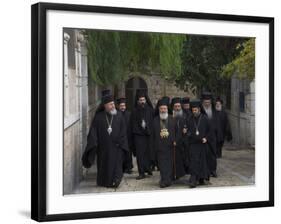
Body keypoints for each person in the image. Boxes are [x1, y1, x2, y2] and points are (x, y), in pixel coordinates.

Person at [81, 91, 129, 188]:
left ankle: (116, 180)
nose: (113, 106)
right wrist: (94, 144)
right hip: (103, 149)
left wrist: (121, 144)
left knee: (117, 167)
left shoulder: (119, 115)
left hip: (116, 147)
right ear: (105, 106)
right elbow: (93, 133)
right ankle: (104, 181)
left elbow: (123, 131)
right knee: (104, 167)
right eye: (110, 104)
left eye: (113, 104)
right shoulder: (98, 117)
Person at [131, 89, 154, 179]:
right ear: (137, 101)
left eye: (143, 100)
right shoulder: (134, 111)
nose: (142, 102)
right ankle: (141, 172)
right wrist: (140, 130)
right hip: (139, 136)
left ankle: (148, 169)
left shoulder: (150, 110)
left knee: (148, 153)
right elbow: (132, 124)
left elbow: (152, 122)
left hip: (148, 135)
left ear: (146, 100)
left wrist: (148, 129)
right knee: (140, 155)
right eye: (140, 100)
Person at [187, 99, 210, 188]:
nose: (194, 112)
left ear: (199, 109)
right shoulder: (189, 119)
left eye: (195, 110)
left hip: (202, 144)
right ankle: (193, 179)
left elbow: (210, 131)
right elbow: (188, 130)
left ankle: (201, 178)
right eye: (193, 110)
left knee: (202, 162)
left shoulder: (205, 118)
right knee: (194, 162)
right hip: (193, 144)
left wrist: (206, 138)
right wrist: (187, 133)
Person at [152, 98, 176, 188]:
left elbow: (175, 131)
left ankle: (167, 180)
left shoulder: (172, 119)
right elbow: (153, 135)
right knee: (161, 164)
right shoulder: (155, 120)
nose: (163, 110)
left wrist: (175, 140)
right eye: (161, 108)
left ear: (167, 109)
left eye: (164, 108)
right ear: (159, 109)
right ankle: (164, 179)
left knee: (169, 163)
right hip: (159, 145)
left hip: (170, 145)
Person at [201, 92, 218, 178]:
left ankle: (213, 170)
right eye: (205, 102)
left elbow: (217, 122)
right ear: (203, 102)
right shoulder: (201, 111)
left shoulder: (214, 110)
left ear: (211, 102)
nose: (207, 103)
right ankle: (206, 170)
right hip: (204, 136)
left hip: (213, 136)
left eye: (208, 102)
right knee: (205, 154)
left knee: (213, 154)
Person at [171, 97, 188, 179]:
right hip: (172, 141)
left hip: (182, 141)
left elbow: (189, 126)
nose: (177, 108)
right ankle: (173, 174)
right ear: (173, 107)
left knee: (181, 159)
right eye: (176, 106)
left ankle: (180, 174)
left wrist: (186, 130)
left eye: (178, 106)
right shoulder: (170, 116)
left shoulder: (185, 116)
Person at [116, 97, 133, 173]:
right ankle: (121, 168)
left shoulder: (129, 114)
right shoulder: (116, 115)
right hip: (120, 138)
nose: (123, 107)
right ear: (118, 107)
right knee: (120, 154)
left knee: (128, 154)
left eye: (124, 106)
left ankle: (128, 168)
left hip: (128, 137)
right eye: (121, 106)